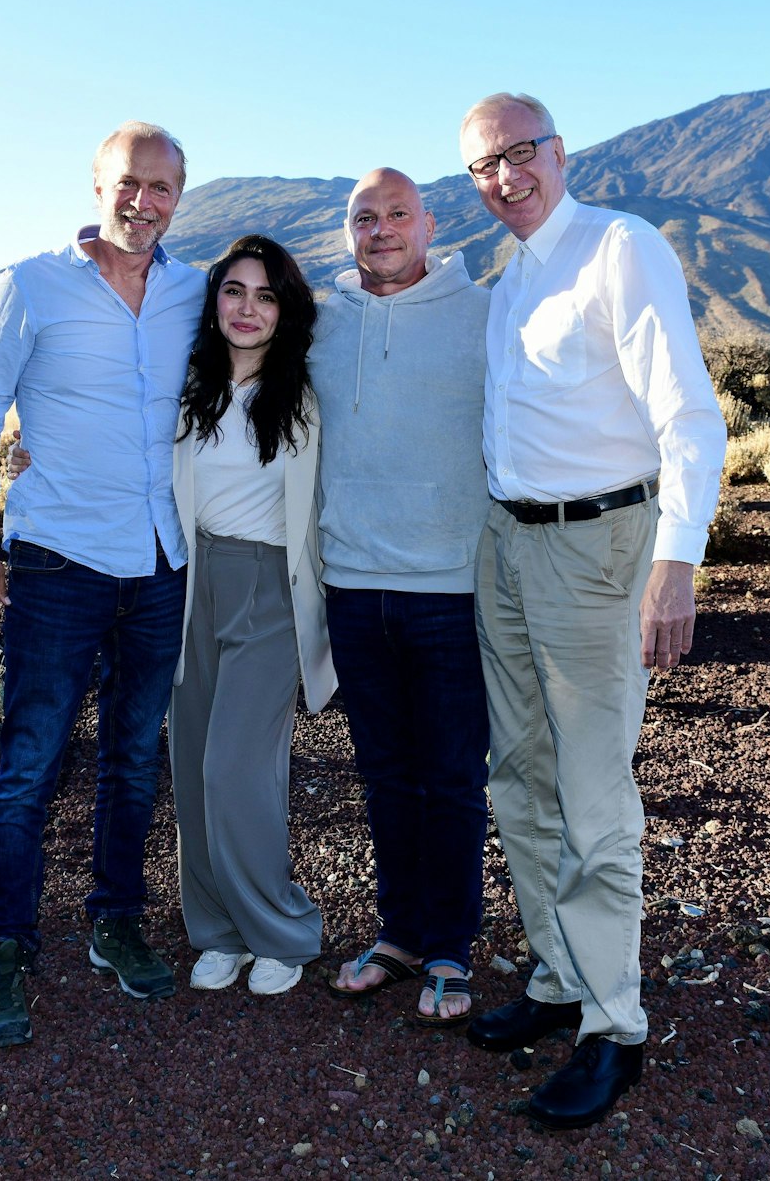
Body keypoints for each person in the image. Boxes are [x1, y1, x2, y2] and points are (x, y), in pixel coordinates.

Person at [457, 93, 726, 1128]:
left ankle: (614, 1024)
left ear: (556, 153)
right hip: (508, 543)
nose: (504, 176)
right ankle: (557, 975)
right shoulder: (505, 280)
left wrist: (675, 563)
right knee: (517, 772)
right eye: (483, 166)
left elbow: (685, 410)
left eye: (519, 154)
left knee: (590, 786)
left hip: (599, 545)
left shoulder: (620, 247)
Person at [0, 121, 204, 1049]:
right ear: (98, 188)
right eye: (129, 184)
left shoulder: (192, 291)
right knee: (29, 766)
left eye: (163, 188)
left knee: (135, 759)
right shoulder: (32, 284)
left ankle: (113, 920)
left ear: (181, 195)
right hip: (58, 562)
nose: (145, 202)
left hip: (162, 564)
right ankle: (2, 946)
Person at [313, 168, 491, 1027]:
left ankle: (453, 946)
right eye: (362, 218)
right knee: (385, 775)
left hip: (452, 591)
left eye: (394, 215)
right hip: (351, 588)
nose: (379, 230)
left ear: (429, 224)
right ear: (345, 232)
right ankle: (399, 934)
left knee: (453, 778)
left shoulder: (485, 313)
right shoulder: (317, 323)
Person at [167, 234, 336, 997]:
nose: (247, 308)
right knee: (192, 766)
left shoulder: (303, 394)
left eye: (266, 296)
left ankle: (282, 930)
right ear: (214, 300)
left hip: (269, 591)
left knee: (236, 768)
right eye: (234, 291)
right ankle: (218, 931)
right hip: (191, 586)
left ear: (285, 310)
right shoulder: (188, 385)